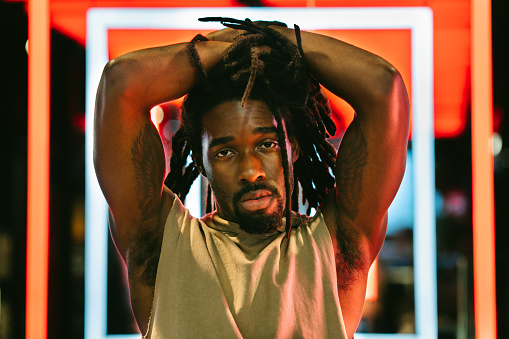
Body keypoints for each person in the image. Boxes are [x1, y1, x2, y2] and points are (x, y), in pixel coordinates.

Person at [94, 18, 409, 339]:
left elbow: (385, 87)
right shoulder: (159, 245)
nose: (251, 171)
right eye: (225, 152)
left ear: (293, 146)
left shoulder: (338, 247)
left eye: (267, 144)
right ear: (201, 163)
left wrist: (273, 41)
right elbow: (121, 83)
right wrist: (246, 43)